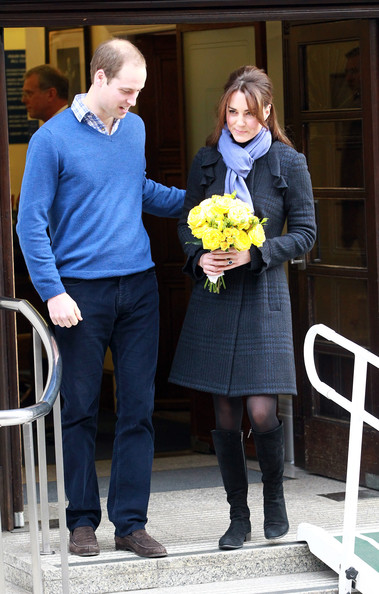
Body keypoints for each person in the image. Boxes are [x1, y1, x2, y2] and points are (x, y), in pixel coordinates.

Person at [17, 39, 185, 559]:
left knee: (138, 408)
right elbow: (30, 224)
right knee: (81, 409)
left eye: (138, 92)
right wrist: (54, 292)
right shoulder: (52, 139)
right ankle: (81, 522)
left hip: (139, 286)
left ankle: (131, 524)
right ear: (99, 78)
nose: (133, 101)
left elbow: (136, 189)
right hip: (79, 293)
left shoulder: (131, 128)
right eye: (127, 91)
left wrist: (203, 200)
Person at [169, 65, 316, 550]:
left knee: (261, 410)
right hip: (216, 299)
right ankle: (238, 516)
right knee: (226, 415)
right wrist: (199, 254)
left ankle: (274, 498)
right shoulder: (207, 160)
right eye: (232, 113)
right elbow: (186, 225)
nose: (239, 122)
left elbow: (306, 235)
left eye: (249, 114)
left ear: (267, 112)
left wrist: (258, 252)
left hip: (263, 296)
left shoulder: (287, 162)